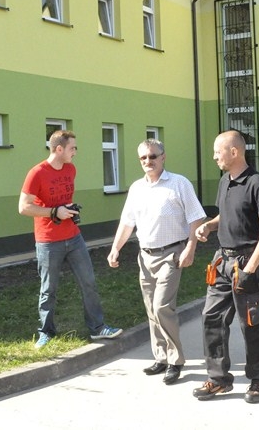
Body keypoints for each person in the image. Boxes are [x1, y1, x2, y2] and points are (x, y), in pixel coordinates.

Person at [107, 139, 206, 385]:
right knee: (152, 309)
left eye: (152, 156)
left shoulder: (179, 183)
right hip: (145, 255)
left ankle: (175, 360)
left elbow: (196, 218)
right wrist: (115, 248)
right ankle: (160, 357)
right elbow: (127, 222)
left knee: (162, 306)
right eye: (143, 158)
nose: (148, 161)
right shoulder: (137, 188)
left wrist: (190, 248)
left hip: (172, 254)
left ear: (163, 157)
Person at [192, 130, 259, 404]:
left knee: (252, 323)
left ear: (234, 151)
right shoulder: (224, 181)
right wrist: (209, 225)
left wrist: (250, 270)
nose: (214, 156)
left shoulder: (257, 183)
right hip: (222, 262)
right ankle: (218, 379)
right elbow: (226, 214)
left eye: (218, 151)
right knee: (212, 318)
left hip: (247, 262)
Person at [19, 130, 121, 349]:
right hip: (48, 240)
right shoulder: (37, 173)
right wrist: (54, 212)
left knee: (88, 282)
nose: (75, 152)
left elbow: (62, 199)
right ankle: (46, 332)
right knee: (49, 289)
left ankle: (97, 328)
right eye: (72, 148)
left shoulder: (70, 169)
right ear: (59, 149)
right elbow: (24, 207)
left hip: (74, 237)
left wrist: (68, 209)